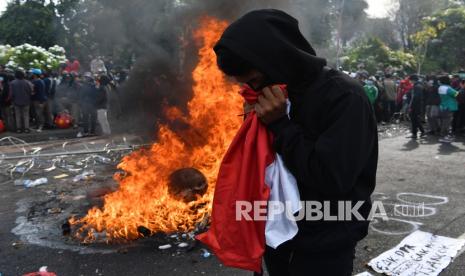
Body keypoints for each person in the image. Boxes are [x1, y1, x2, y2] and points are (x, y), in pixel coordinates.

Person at [202, 9, 378, 276]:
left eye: (254, 81)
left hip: (325, 240)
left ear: (276, 58)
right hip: (279, 237)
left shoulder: (343, 97)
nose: (253, 90)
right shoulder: (275, 94)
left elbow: (331, 177)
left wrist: (280, 124)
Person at [437, 75, 459, 143]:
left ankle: (445, 136)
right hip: (448, 107)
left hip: (444, 106)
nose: (438, 81)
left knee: (444, 122)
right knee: (446, 122)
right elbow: (456, 94)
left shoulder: (442, 87)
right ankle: (444, 136)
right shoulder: (445, 88)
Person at [77, 72, 98, 137]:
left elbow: (81, 95)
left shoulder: (85, 86)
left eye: (86, 78)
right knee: (89, 118)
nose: (85, 79)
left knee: (88, 118)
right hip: (89, 104)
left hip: (89, 104)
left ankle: (89, 131)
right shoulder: (93, 86)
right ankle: (90, 131)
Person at [406, 75, 425, 139]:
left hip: (415, 106)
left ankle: (414, 134)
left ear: (413, 80)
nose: (410, 81)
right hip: (418, 105)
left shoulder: (417, 86)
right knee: (416, 119)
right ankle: (422, 131)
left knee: (413, 120)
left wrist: (410, 106)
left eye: (410, 80)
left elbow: (415, 98)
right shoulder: (418, 85)